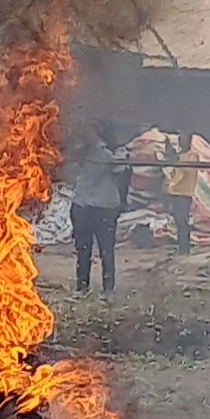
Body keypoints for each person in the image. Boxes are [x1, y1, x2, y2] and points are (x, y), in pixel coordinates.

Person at [68, 119, 133, 294]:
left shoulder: (111, 153)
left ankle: (106, 290)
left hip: (102, 207)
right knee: (85, 250)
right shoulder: (89, 151)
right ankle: (84, 288)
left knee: (104, 251)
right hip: (84, 205)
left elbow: (119, 169)